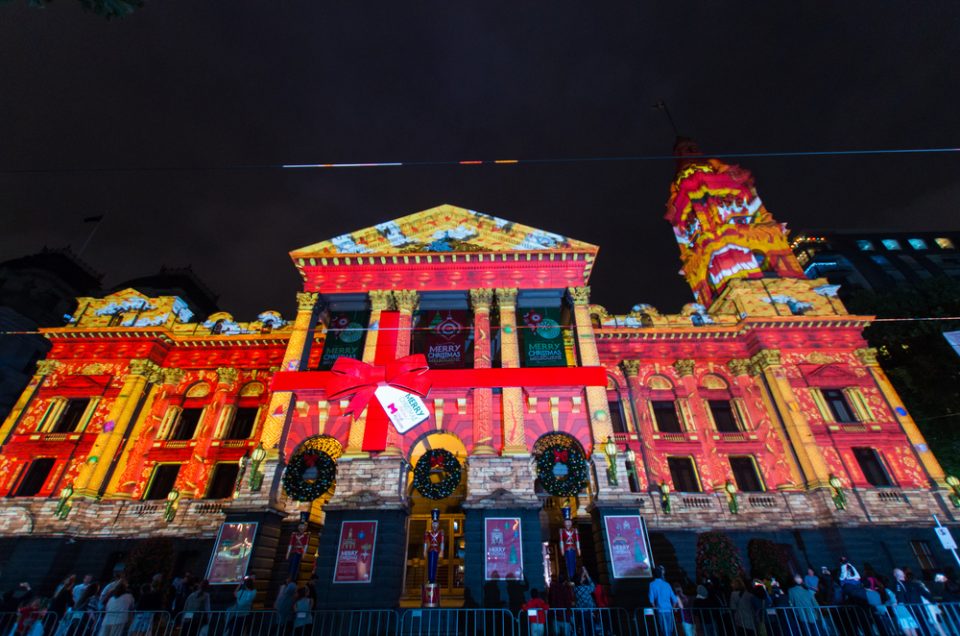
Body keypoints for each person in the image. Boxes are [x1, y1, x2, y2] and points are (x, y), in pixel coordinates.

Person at [649, 565, 678, 636]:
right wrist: (673, 608)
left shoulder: (652, 584)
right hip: (669, 610)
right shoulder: (667, 584)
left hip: (660, 610)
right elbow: (674, 599)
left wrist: (655, 607)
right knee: (670, 630)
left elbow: (651, 600)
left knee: (664, 630)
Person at [892, 568, 921, 636]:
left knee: (911, 625)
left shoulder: (905, 583)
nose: (902, 575)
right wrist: (898, 602)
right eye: (900, 574)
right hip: (902, 607)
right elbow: (899, 595)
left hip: (907, 606)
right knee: (906, 624)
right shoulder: (897, 584)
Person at [558, 508, 581, 585]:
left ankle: (573, 577)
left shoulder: (575, 530)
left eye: (569, 522)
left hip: (573, 548)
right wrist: (561, 549)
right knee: (567, 563)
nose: (568, 524)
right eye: (566, 522)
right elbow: (561, 541)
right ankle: (569, 577)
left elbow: (577, 540)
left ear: (571, 523)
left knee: (574, 562)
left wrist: (578, 548)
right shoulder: (562, 531)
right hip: (566, 549)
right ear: (564, 523)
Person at [423, 509, 445, 586]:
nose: (435, 525)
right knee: (430, 565)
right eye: (433, 523)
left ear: (438, 524)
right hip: (430, 550)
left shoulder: (441, 532)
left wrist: (442, 551)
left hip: (436, 550)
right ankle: (430, 579)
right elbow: (425, 542)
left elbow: (442, 542)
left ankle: (433, 579)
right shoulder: (428, 532)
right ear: (432, 524)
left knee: (435, 564)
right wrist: (424, 551)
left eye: (436, 524)